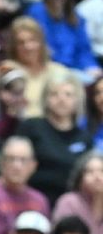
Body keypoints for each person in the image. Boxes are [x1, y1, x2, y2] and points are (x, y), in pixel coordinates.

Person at [16, 72, 92, 205]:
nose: (61, 99)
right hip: (32, 200)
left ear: (77, 100)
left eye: (68, 95)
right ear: (45, 99)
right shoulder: (32, 127)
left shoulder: (84, 137)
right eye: (54, 94)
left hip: (72, 205)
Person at [26, 0, 102, 83]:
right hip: (51, 71)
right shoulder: (37, 12)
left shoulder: (76, 16)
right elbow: (43, 51)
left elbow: (84, 50)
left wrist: (92, 67)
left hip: (77, 71)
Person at [6, 16, 71, 119]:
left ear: (41, 42)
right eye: (20, 43)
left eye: (32, 40)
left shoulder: (59, 71)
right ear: (14, 47)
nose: (28, 47)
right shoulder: (7, 69)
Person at [53, 152, 103, 234]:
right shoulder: (69, 202)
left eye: (101, 171)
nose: (97, 176)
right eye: (90, 172)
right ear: (79, 178)